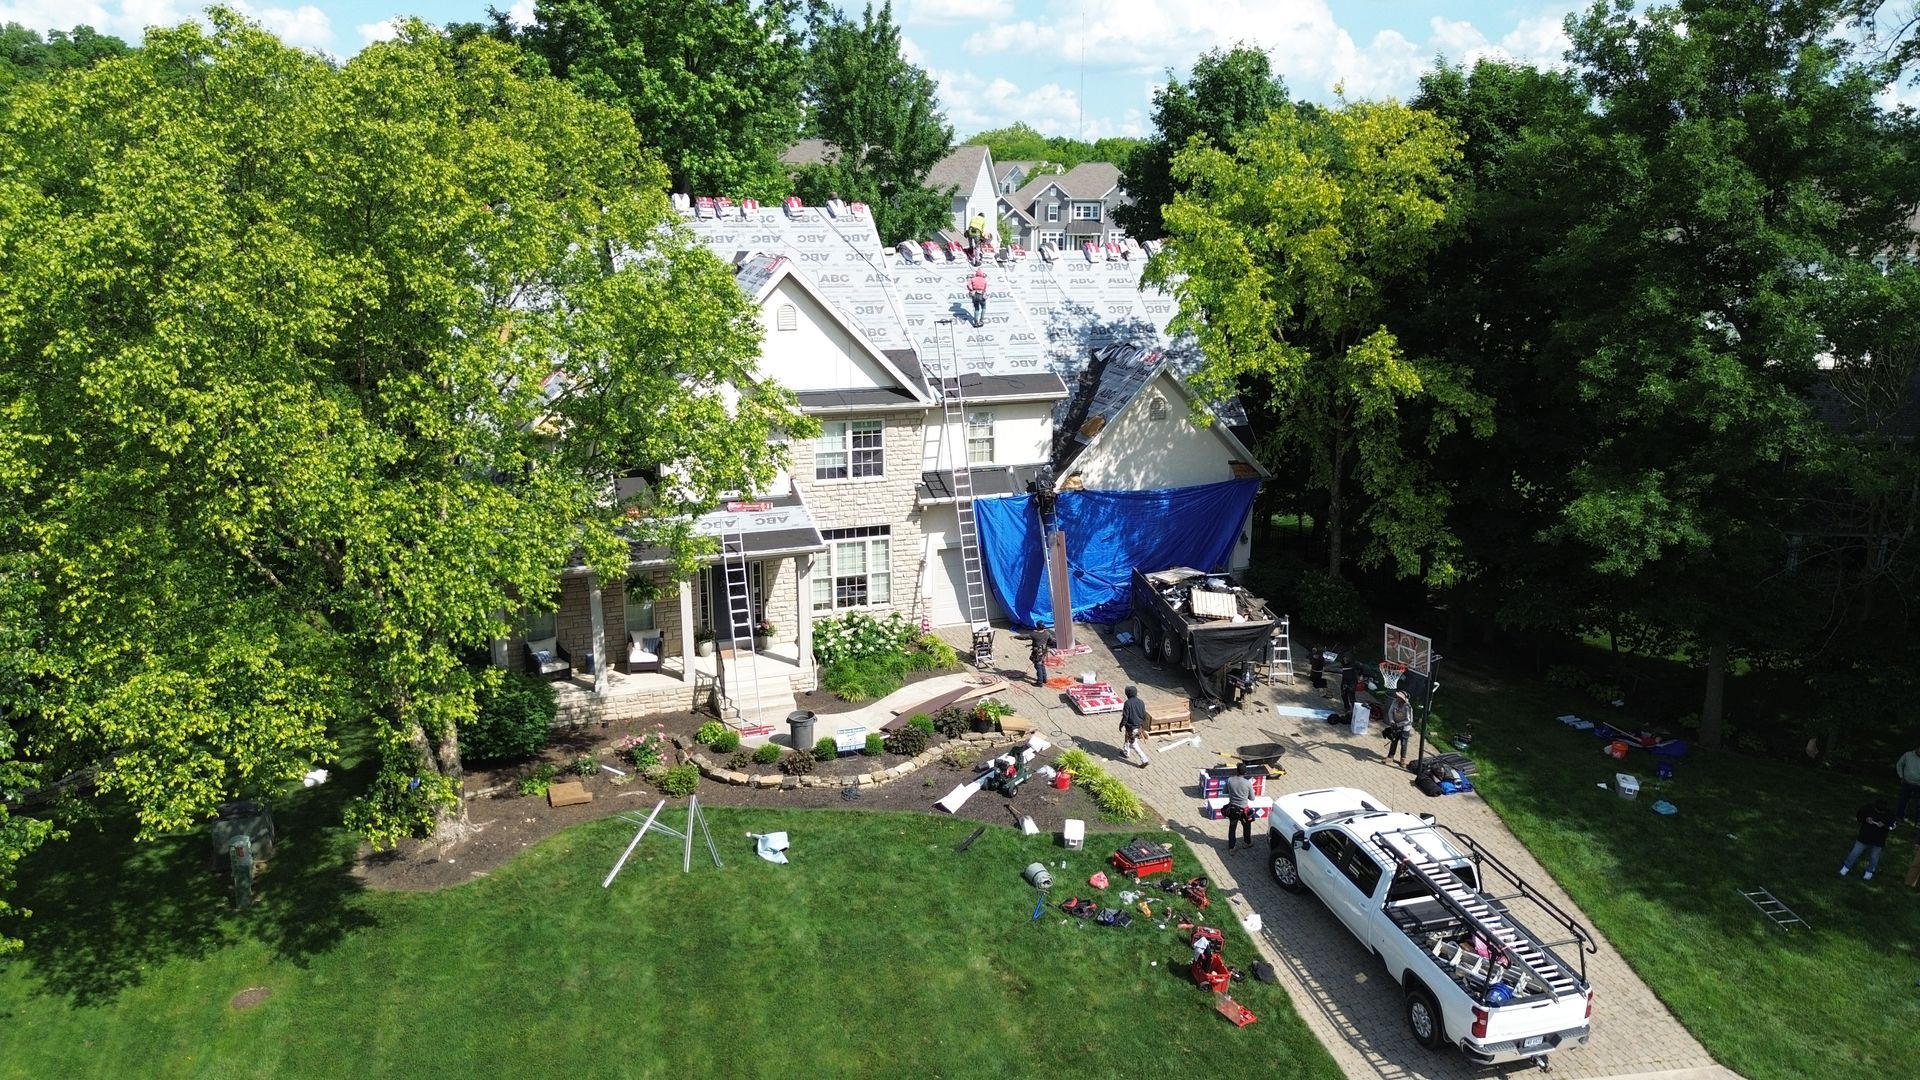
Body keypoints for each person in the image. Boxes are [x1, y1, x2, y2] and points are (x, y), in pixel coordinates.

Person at [1840, 801, 1895, 881]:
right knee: (1854, 853)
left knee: (1874, 857)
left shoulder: (1890, 814)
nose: (1879, 812)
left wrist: (1885, 825)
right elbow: (1859, 816)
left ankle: (1869, 872)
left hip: (1878, 841)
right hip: (1864, 837)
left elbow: (1892, 826)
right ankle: (1846, 867)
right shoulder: (1867, 808)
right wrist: (1866, 818)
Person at [1224, 763, 1256, 852]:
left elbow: (1224, 791)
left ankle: (1232, 847)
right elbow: (1252, 798)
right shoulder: (1247, 783)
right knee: (1247, 826)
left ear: (1236, 770)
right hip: (1244, 810)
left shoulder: (1230, 780)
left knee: (1232, 828)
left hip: (1233, 809)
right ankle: (1247, 842)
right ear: (1245, 773)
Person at [1120, 685, 1149, 768]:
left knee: (1133, 744)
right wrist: (1142, 726)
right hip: (1139, 727)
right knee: (1127, 739)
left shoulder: (1127, 703)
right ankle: (1126, 752)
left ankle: (1144, 759)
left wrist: (1121, 725)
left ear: (1127, 694)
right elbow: (1144, 715)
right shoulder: (1141, 702)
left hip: (1131, 728)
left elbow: (1125, 717)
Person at [1384, 689, 1414, 766]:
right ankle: (1390, 756)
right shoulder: (1394, 702)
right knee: (1394, 741)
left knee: (1403, 743)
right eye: (1397, 696)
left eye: (1399, 697)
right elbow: (1390, 711)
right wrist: (1392, 721)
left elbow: (1409, 720)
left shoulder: (1408, 707)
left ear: (1403, 699)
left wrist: (1398, 725)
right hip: (1395, 724)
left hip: (1405, 728)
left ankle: (1403, 759)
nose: (1397, 697)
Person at [1895, 744, 1920, 824]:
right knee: (1903, 800)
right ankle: (1900, 816)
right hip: (1907, 782)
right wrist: (1901, 776)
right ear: (1917, 748)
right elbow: (1899, 764)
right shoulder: (1908, 755)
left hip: (1919, 784)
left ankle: (1918, 820)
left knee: (1919, 803)